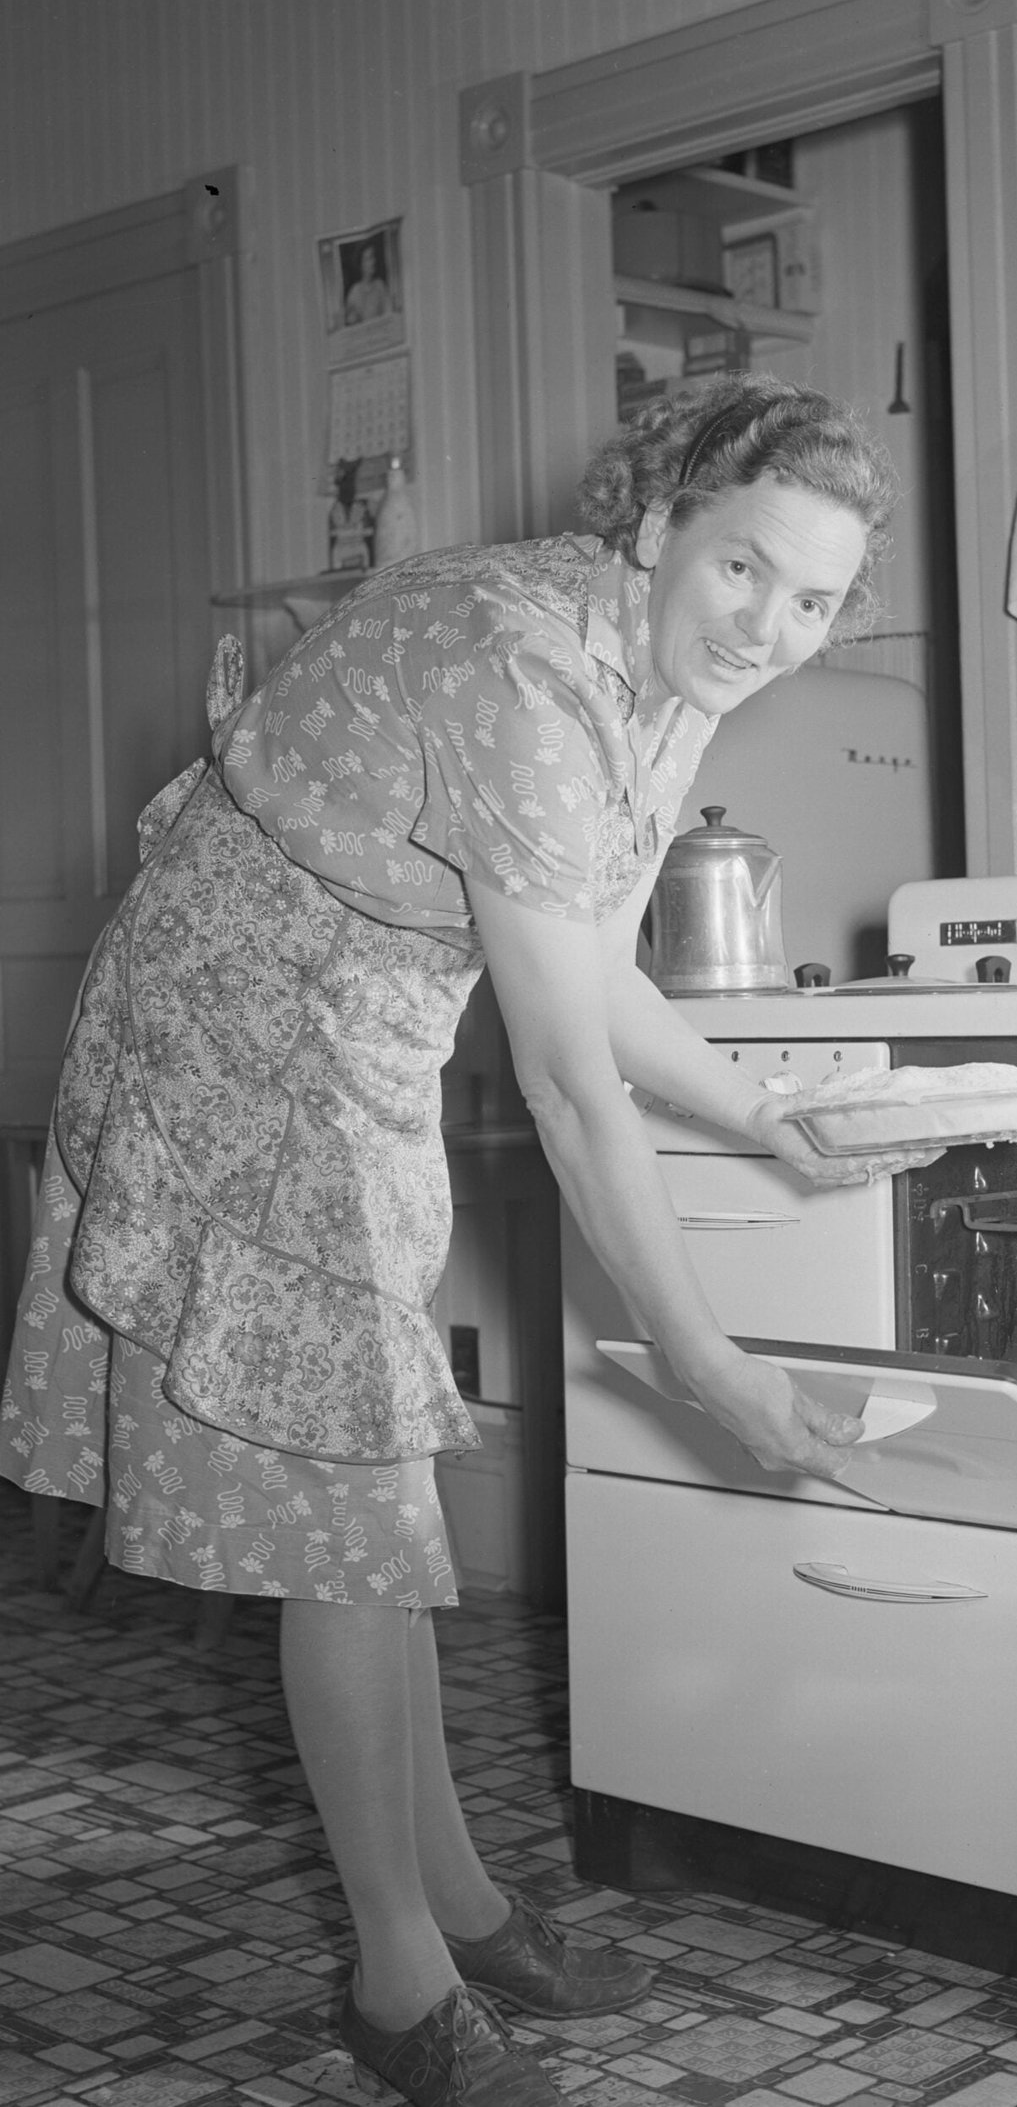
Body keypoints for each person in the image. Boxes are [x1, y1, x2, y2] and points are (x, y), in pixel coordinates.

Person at [1, 374, 909, 2107]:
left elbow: (596, 969)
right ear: (655, 528)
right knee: (350, 1514)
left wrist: (755, 1111)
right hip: (238, 1025)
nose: (769, 626)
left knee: (382, 1495)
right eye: (742, 572)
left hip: (356, 1034)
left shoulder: (657, 678)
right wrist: (711, 1366)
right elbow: (569, 1079)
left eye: (808, 599)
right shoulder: (513, 660)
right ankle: (399, 1972)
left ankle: (468, 1906)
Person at [345, 240, 392, 323]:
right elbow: (349, 320)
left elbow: (389, 313)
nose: (373, 262)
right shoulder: (354, 291)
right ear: (361, 264)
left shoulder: (380, 285)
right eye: (368, 258)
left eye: (373, 257)